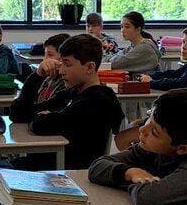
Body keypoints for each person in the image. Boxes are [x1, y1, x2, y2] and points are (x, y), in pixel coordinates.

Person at [25, 34, 124, 169]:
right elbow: (20, 113)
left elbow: (40, 125)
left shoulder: (98, 100)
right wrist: (38, 75)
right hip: (45, 165)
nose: (61, 70)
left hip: (62, 174)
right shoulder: (74, 92)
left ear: (89, 67)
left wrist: (44, 116)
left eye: (67, 64)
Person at [9, 32, 69, 122]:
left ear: (63, 59)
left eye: (50, 54)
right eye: (45, 54)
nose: (45, 59)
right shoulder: (47, 79)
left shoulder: (66, 84)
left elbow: (23, 115)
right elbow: (16, 113)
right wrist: (37, 74)